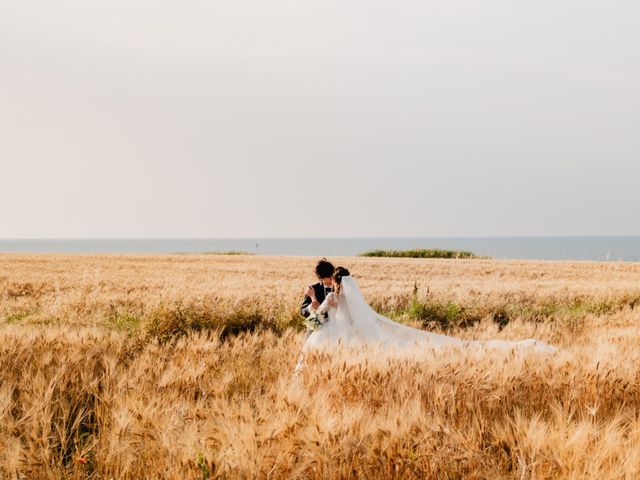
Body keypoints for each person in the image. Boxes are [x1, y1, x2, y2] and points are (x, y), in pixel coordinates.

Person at [301, 266, 557, 355]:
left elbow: (318, 317)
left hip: (335, 336)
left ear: (333, 282)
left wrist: (313, 299)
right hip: (346, 335)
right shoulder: (348, 298)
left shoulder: (333, 297)